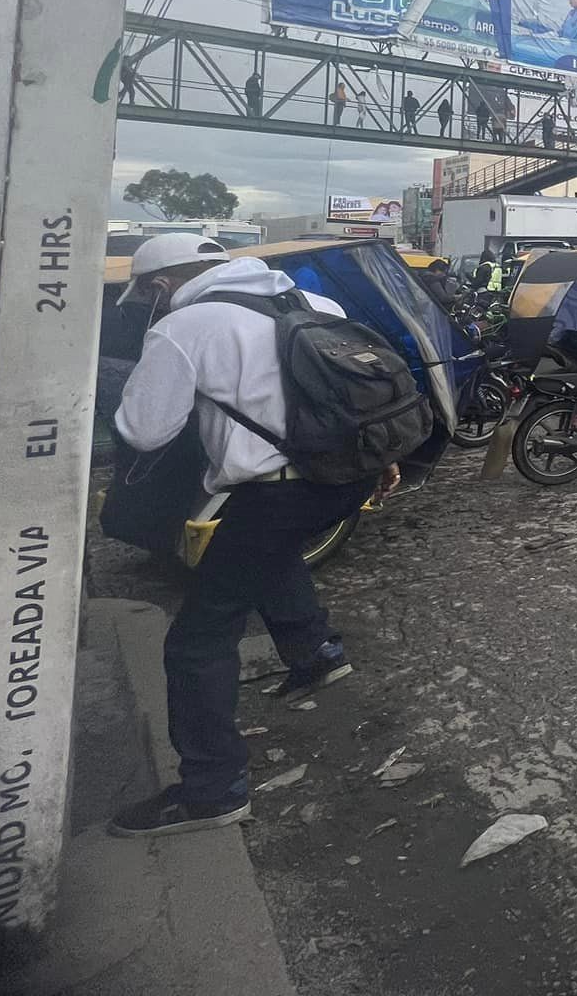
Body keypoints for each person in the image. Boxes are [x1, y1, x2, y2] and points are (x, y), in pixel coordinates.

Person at [108, 235, 378, 837]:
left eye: (148, 296)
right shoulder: (313, 303)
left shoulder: (186, 326)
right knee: (267, 554)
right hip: (340, 481)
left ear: (159, 286)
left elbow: (145, 431)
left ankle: (212, 790)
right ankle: (317, 653)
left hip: (275, 491)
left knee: (198, 639)